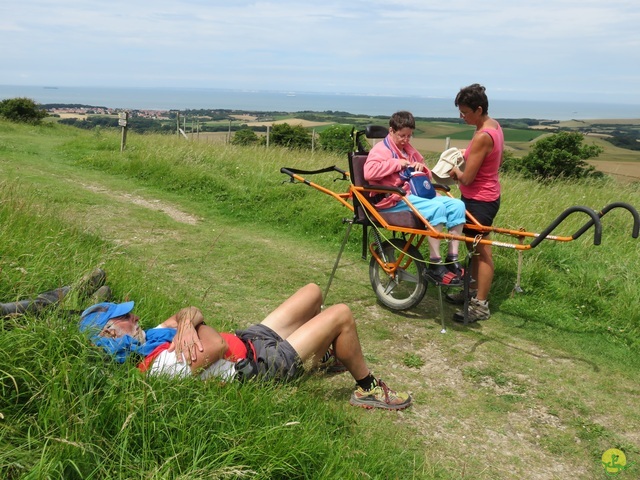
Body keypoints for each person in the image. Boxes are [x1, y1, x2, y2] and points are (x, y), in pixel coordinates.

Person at [79, 282, 413, 411]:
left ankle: (331, 352)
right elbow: (211, 345)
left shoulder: (149, 337)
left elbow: (190, 312)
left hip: (251, 337)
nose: (134, 315)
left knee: (313, 292)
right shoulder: (157, 369)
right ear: (111, 335)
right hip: (263, 365)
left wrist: (185, 322)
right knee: (341, 314)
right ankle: (367, 388)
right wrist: (190, 324)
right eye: (124, 317)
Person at [363, 110, 467, 286]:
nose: (406, 140)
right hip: (393, 199)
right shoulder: (380, 150)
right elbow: (369, 172)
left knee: (457, 205)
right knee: (437, 209)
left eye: (409, 136)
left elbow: (425, 175)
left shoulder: (409, 150)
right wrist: (396, 164)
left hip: (415, 195)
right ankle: (435, 263)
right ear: (391, 131)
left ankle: (452, 258)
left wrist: (422, 168)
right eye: (402, 135)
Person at [447, 84, 504, 322]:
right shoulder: (492, 125)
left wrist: (454, 171)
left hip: (480, 200)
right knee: (473, 248)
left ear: (478, 109)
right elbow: (484, 157)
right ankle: (469, 293)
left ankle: (480, 305)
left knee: (482, 252)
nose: (462, 117)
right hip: (485, 196)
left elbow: (468, 177)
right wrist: (466, 153)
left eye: (465, 113)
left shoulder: (482, 135)